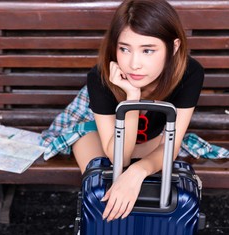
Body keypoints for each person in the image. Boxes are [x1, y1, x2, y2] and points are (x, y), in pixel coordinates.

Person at [40, 0, 204, 222]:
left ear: (173, 47)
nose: (134, 64)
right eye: (124, 49)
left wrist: (138, 172)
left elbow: (170, 147)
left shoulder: (189, 73)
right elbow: (119, 155)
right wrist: (132, 97)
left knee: (144, 188)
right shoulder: (101, 77)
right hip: (98, 132)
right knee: (102, 190)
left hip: (151, 139)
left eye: (148, 50)